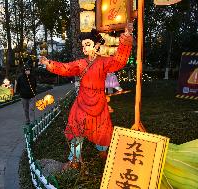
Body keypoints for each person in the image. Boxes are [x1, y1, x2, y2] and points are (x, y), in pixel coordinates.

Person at [40, 23, 133, 168]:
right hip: (82, 102)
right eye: (83, 46)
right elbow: (66, 68)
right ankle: (75, 158)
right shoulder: (81, 63)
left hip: (99, 101)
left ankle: (103, 151)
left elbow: (119, 60)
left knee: (102, 129)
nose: (84, 48)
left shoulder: (104, 62)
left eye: (88, 44)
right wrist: (49, 63)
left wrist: (126, 38)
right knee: (76, 128)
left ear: (96, 45)